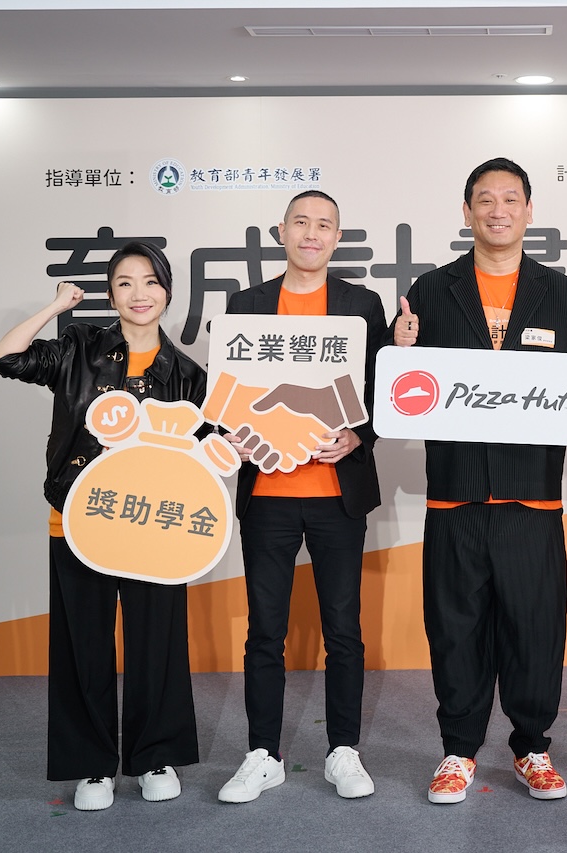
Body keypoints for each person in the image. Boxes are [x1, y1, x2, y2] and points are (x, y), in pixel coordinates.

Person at [391, 157, 567, 804]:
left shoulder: (559, 292)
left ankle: (532, 746)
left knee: (534, 628)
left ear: (529, 211)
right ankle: (458, 751)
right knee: (454, 628)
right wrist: (398, 348)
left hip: (532, 495)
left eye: (510, 198)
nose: (497, 210)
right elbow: (401, 387)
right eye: (484, 199)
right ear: (466, 212)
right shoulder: (432, 290)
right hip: (454, 493)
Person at [0, 241, 204, 811]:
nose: (139, 294)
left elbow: (204, 452)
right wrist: (57, 307)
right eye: (125, 283)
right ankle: (92, 765)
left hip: (156, 527)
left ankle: (154, 755)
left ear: (167, 292)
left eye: (151, 282)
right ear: (110, 294)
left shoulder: (187, 374)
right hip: (79, 520)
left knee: (157, 644)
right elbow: (3, 357)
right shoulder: (79, 348)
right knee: (83, 645)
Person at [216, 191, 386, 804]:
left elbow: (382, 390)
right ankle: (263, 754)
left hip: (337, 493)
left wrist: (359, 435)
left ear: (337, 237)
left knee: (344, 629)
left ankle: (344, 750)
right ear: (281, 231)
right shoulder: (247, 305)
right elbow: (228, 393)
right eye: (301, 223)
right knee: (265, 630)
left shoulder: (361, 305)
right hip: (268, 493)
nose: (311, 234)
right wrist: (230, 434)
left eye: (324, 225)